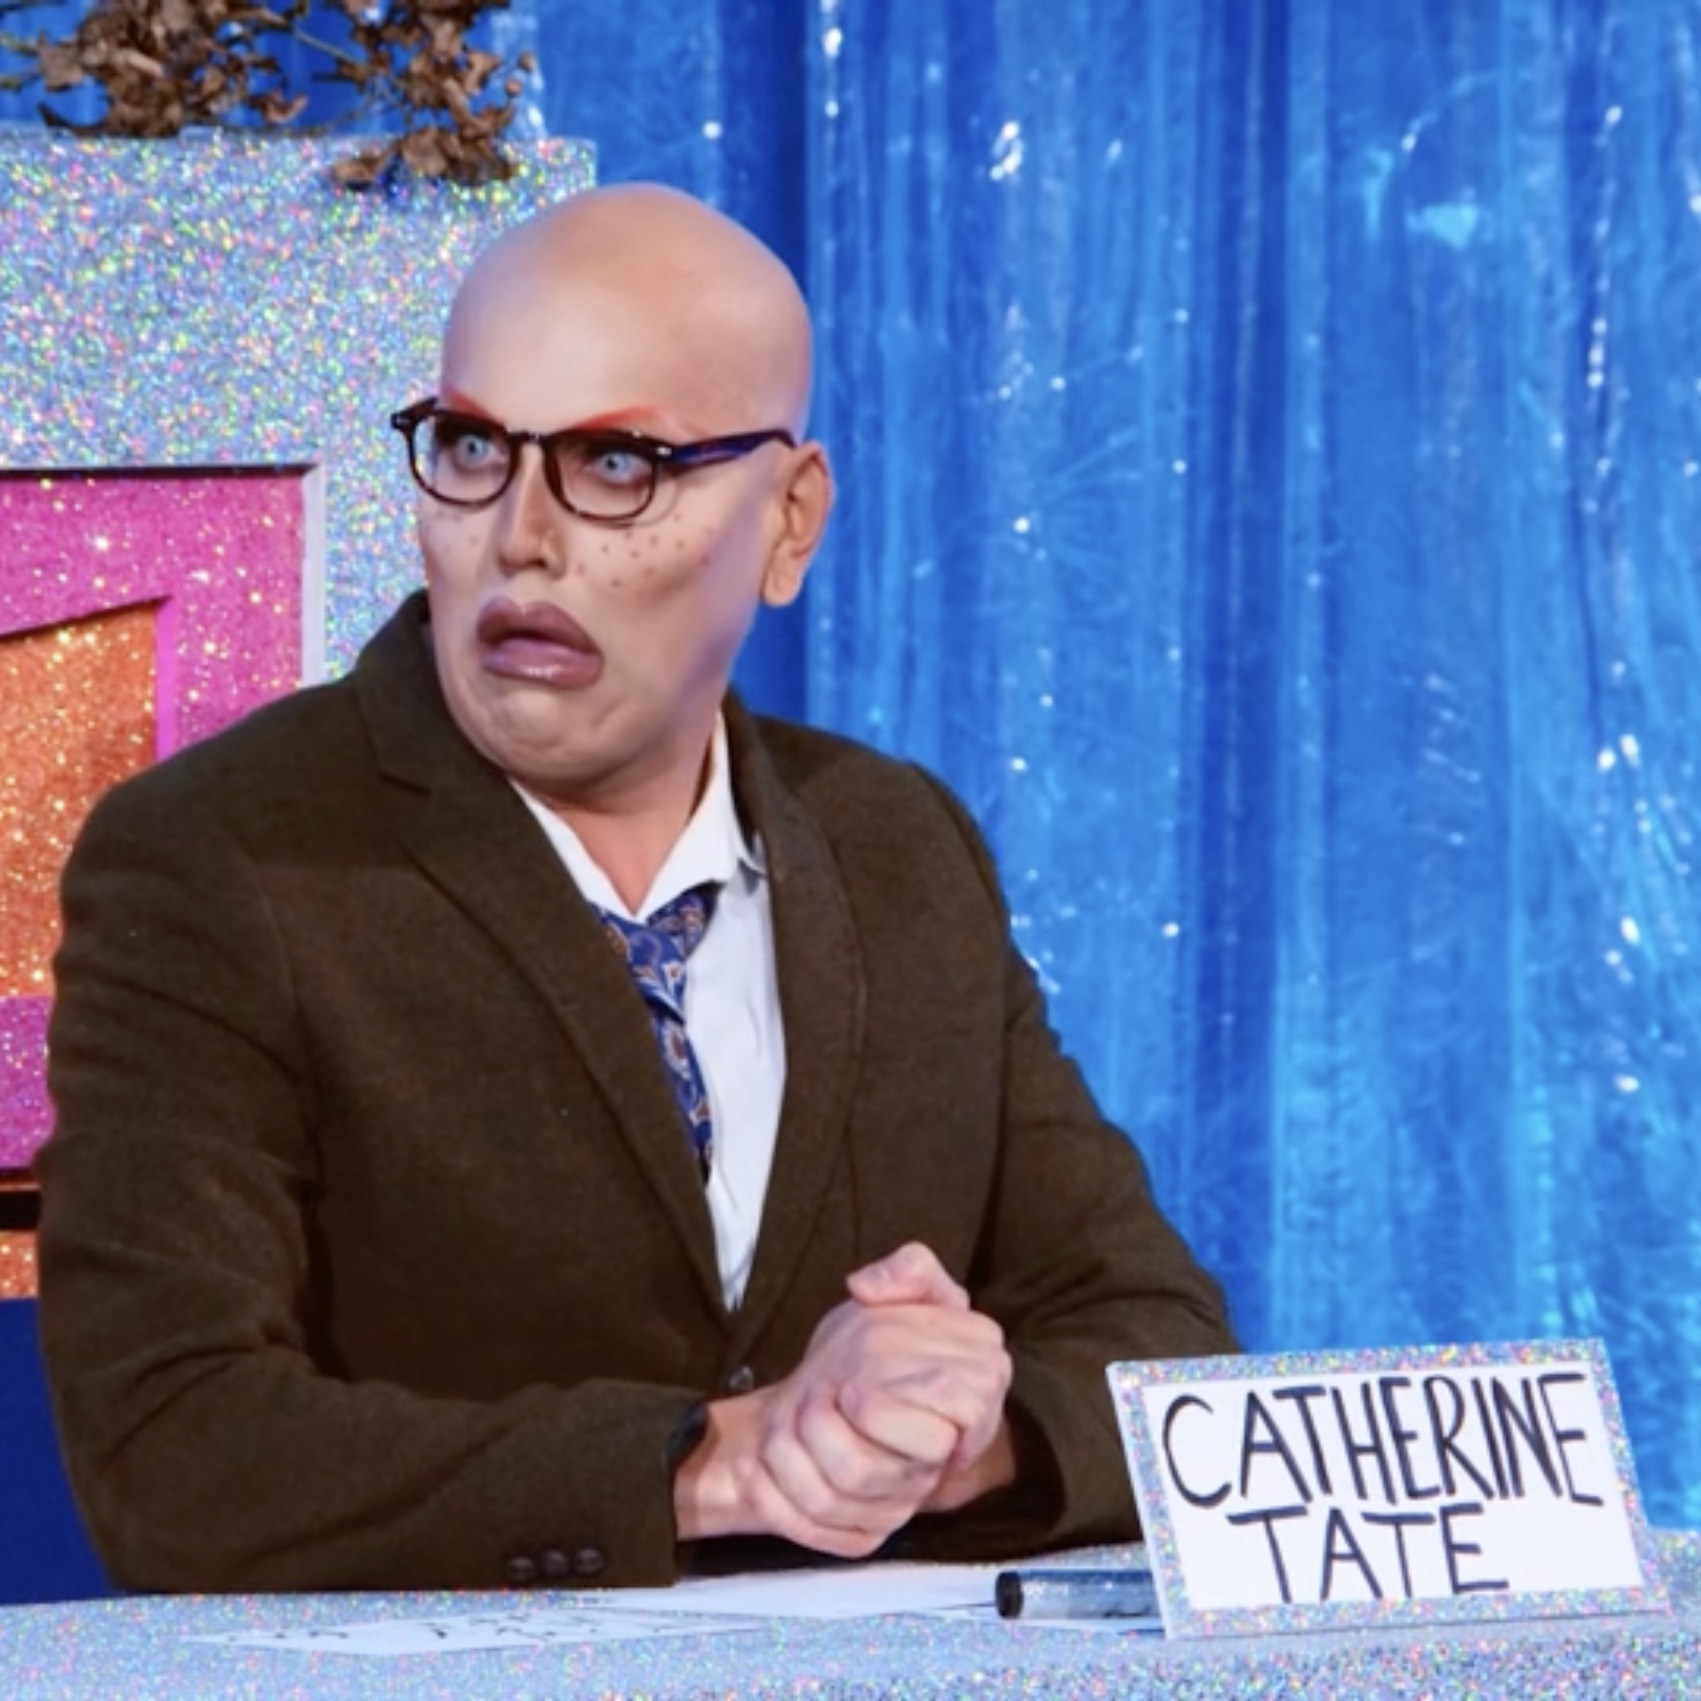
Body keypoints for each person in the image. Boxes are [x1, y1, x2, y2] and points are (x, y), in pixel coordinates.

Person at [36, 184, 1236, 1593]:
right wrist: (716, 1459)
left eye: (616, 464)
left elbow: (1162, 1355)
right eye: (473, 447)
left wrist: (942, 1438)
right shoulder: (216, 855)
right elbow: (172, 1454)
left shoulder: (897, 844)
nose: (522, 536)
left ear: (789, 522)